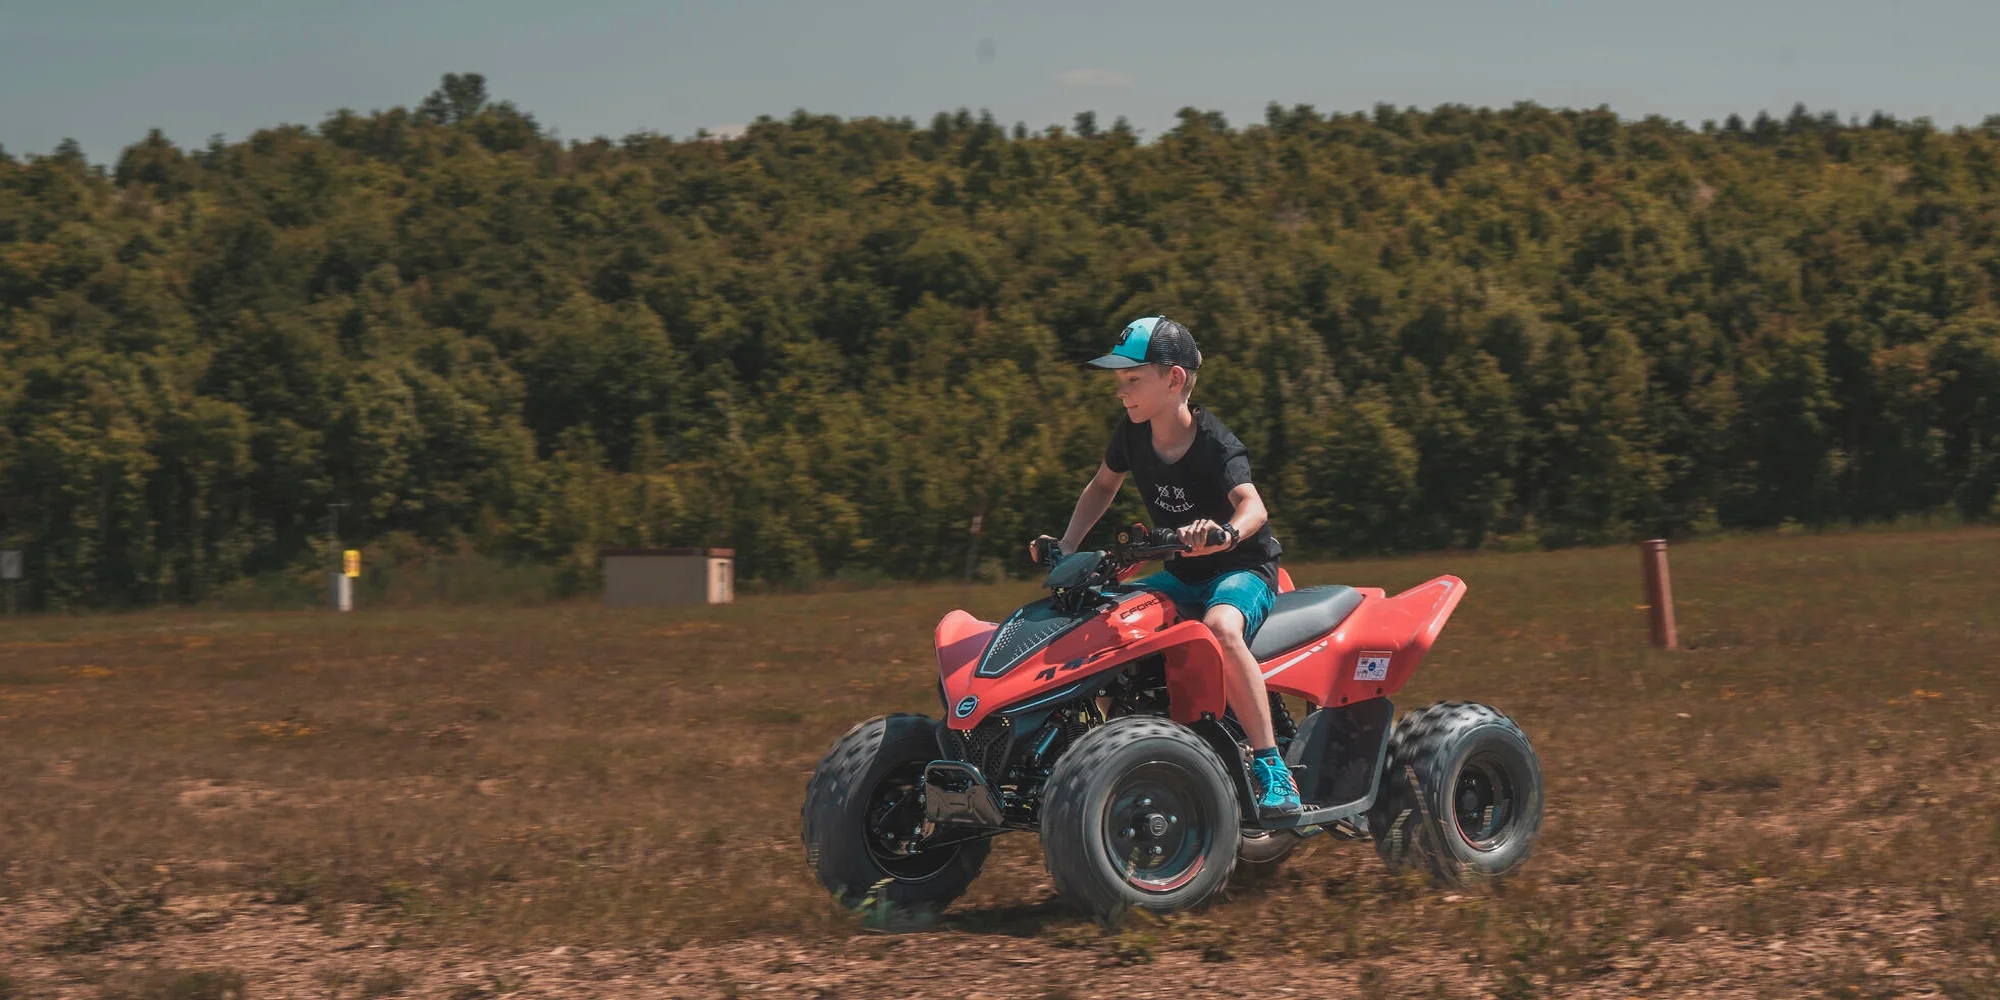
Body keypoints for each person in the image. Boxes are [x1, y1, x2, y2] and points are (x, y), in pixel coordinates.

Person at [1027, 315, 1301, 818]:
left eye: (1132, 380)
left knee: (1221, 627)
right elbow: (1102, 486)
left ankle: (1271, 767)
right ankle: (1118, 753)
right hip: (1180, 573)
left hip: (1240, 570)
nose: (1121, 392)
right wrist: (1066, 545)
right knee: (1109, 624)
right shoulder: (1132, 435)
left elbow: (1254, 506)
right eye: (1119, 382)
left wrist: (1225, 534)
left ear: (1174, 380)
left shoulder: (1215, 442)